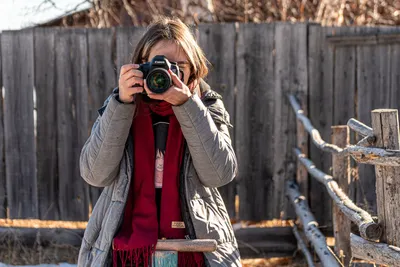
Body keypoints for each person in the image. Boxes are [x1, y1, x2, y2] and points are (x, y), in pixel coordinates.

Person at [78, 16, 241, 267]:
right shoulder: (122, 106)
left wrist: (188, 106)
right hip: (126, 251)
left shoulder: (207, 106)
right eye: (160, 64)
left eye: (179, 66)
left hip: (195, 248)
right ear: (141, 65)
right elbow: (94, 174)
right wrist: (121, 105)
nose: (168, 73)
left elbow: (220, 174)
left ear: (193, 71)